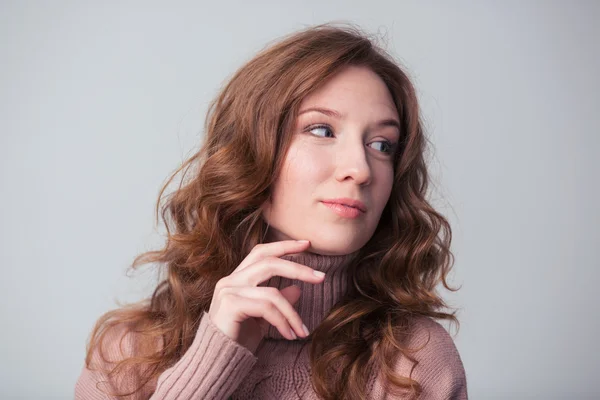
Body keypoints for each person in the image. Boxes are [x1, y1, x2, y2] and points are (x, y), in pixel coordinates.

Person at [74, 22, 468, 400]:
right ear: (251, 153)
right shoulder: (129, 353)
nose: (361, 169)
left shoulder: (413, 361)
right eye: (322, 130)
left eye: (382, 145)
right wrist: (209, 363)